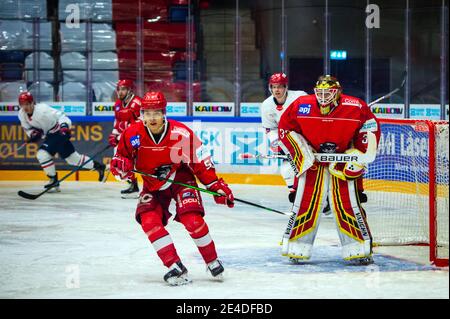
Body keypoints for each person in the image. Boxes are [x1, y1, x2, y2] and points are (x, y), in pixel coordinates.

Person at [109, 91, 234, 286]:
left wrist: (215, 185)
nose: (152, 118)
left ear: (164, 113)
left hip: (180, 180)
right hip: (152, 186)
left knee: (192, 220)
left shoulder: (180, 133)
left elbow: (199, 161)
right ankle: (174, 265)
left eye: (156, 113)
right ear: (142, 114)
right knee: (149, 221)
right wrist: (121, 169)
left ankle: (212, 260)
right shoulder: (132, 133)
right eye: (147, 113)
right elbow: (121, 162)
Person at [277, 75, 380, 265]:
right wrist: (301, 151)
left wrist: (359, 155)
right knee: (305, 203)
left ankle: (359, 248)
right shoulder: (302, 104)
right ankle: (296, 247)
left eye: (328, 92)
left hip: (342, 161)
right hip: (313, 162)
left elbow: (370, 127)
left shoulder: (355, 106)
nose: (323, 96)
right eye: (320, 92)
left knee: (347, 204)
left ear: (338, 92)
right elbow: (285, 127)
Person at [18, 91, 106, 191]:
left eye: (27, 104)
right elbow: (27, 128)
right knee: (73, 159)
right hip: (50, 135)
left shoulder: (42, 109)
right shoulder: (21, 115)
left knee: (42, 154)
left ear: (32, 102)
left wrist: (64, 126)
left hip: (59, 132)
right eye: (22, 105)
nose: (25, 107)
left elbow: (61, 115)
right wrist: (32, 133)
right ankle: (99, 166)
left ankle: (53, 180)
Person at [261, 73, 307, 203]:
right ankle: (299, 200)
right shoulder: (266, 105)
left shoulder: (300, 97)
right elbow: (270, 129)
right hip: (288, 141)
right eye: (274, 87)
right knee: (287, 170)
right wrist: (279, 145)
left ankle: (322, 200)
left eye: (280, 87)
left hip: (307, 138)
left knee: (312, 171)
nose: (277, 90)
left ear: (286, 87)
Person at [108, 79, 142, 198]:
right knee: (121, 162)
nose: (120, 92)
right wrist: (114, 134)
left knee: (140, 162)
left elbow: (140, 124)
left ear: (129, 90)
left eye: (123, 89)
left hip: (137, 138)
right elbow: (117, 122)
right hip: (124, 138)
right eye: (119, 89)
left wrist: (122, 136)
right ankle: (133, 185)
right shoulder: (117, 105)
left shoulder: (137, 103)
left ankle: (154, 187)